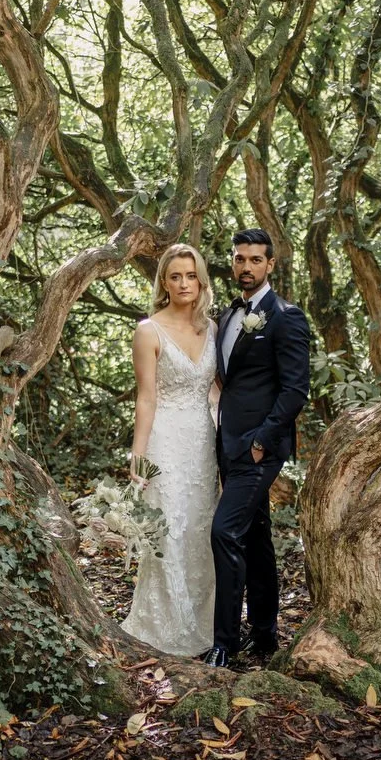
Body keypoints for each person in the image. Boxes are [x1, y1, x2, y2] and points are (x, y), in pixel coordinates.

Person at [202, 228, 311, 669]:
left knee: (224, 532)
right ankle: (265, 635)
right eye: (239, 259)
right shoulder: (229, 316)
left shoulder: (286, 316)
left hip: (257, 449)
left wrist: (262, 442)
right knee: (255, 536)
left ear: (270, 265)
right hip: (227, 444)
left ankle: (224, 643)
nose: (246, 267)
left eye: (255, 260)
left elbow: (295, 390)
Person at [121, 244, 220, 656]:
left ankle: (204, 625)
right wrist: (138, 460)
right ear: (164, 281)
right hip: (165, 439)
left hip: (204, 441)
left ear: (201, 281)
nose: (184, 283)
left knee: (201, 530)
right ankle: (164, 626)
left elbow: (215, 391)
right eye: (175, 276)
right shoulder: (149, 330)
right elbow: (146, 398)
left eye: (191, 275)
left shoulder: (213, 328)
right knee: (168, 529)